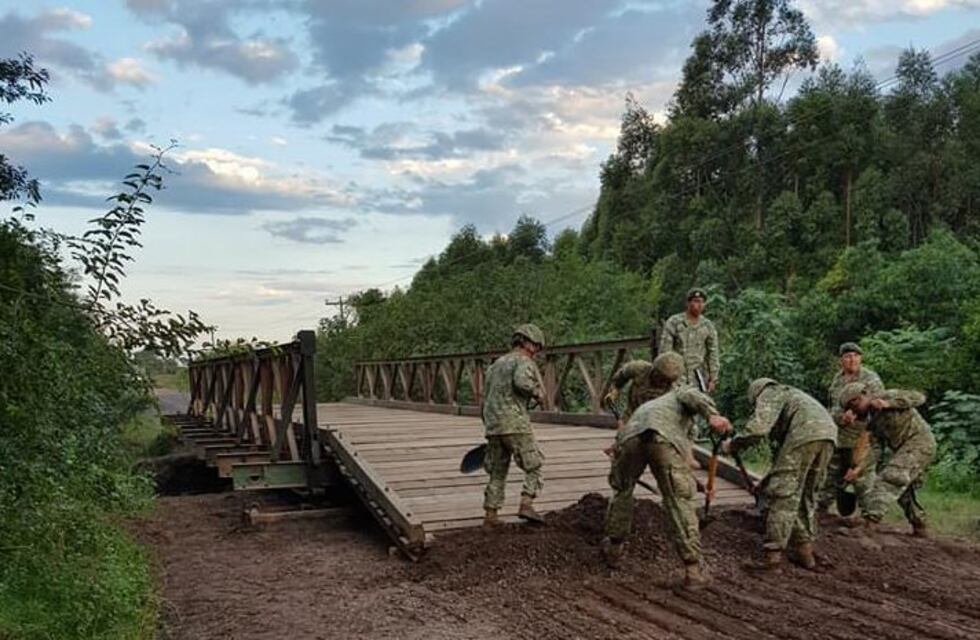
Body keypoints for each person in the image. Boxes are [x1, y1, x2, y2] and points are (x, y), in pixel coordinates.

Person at [601, 352, 733, 588]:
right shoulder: (679, 391)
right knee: (677, 500)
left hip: (631, 435)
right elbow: (694, 399)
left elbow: (683, 458)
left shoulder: (656, 401)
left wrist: (698, 484)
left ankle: (614, 548)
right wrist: (713, 415)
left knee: (622, 490)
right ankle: (692, 570)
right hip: (659, 437)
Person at [722, 378, 836, 571]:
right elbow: (783, 463)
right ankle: (805, 552)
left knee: (782, 498)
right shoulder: (794, 397)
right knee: (805, 496)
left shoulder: (770, 393)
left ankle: (772, 558)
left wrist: (733, 444)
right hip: (828, 437)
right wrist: (765, 482)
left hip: (804, 436)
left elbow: (758, 430)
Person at [838, 383, 935, 537]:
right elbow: (875, 450)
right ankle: (919, 525)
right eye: (849, 407)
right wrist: (858, 470)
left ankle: (870, 524)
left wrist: (890, 404)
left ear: (864, 394)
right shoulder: (872, 420)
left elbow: (919, 397)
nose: (853, 409)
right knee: (903, 491)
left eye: (854, 402)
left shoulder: (887, 396)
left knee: (891, 477)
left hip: (920, 443)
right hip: (902, 448)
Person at [481, 323, 547, 529]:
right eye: (536, 346)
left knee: (498, 471)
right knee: (534, 464)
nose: (536, 351)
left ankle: (491, 515)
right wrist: (537, 392)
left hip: (493, 425)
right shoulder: (524, 361)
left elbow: (486, 396)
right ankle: (526, 503)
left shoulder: (496, 365)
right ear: (528, 343)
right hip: (515, 422)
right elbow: (521, 382)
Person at [818, 342, 884, 515]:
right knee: (831, 473)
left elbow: (879, 407)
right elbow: (831, 407)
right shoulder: (837, 380)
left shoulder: (870, 379)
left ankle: (869, 516)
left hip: (862, 435)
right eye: (847, 356)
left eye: (855, 355)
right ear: (841, 360)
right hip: (839, 434)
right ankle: (821, 509)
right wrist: (841, 418)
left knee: (862, 476)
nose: (852, 359)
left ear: (860, 358)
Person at [659, 287, 720, 393]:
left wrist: (713, 378)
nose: (699, 305)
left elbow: (713, 352)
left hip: (698, 376)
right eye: (696, 301)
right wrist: (666, 375)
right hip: (677, 375)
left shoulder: (707, 325)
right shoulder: (675, 322)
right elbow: (665, 351)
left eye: (702, 302)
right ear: (688, 303)